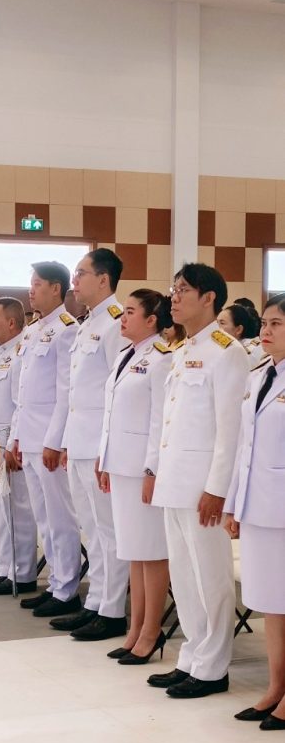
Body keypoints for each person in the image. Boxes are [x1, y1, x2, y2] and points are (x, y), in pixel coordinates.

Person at [148, 263, 249, 699]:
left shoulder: (227, 352)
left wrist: (217, 489)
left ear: (209, 298)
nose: (174, 297)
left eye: (184, 290)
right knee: (184, 576)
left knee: (211, 577)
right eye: (173, 289)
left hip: (202, 486)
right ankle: (192, 657)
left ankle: (213, 667)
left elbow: (230, 430)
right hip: (175, 480)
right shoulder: (183, 349)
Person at [51, 248, 130, 642]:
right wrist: (67, 441)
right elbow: (74, 393)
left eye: (81, 273)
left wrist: (107, 448)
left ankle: (112, 610)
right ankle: (95, 602)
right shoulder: (87, 323)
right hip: (80, 441)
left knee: (108, 530)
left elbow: (118, 393)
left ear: (103, 279)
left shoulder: (116, 323)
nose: (74, 281)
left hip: (100, 444)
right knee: (91, 528)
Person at [98, 289, 171, 664]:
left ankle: (151, 630)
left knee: (152, 552)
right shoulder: (126, 354)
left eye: (129, 312)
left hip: (143, 469)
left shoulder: (161, 358)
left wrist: (152, 469)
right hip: (121, 465)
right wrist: (104, 456)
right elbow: (112, 413)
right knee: (133, 552)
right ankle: (135, 628)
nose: (122, 319)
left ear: (151, 319)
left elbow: (160, 421)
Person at [7, 261, 82, 618]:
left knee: (60, 517)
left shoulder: (67, 330)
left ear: (56, 288)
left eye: (37, 284)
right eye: (31, 283)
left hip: (50, 440)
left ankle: (67, 590)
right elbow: (23, 393)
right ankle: (54, 583)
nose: (31, 290)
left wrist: (55, 441)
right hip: (30, 437)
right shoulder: (35, 330)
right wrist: (17, 437)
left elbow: (65, 392)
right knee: (43, 518)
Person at [225, 293, 285, 731]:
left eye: (276, 324)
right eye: (264, 323)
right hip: (259, 505)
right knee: (270, 602)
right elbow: (243, 447)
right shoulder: (261, 373)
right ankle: (275, 686)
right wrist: (234, 503)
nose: (265, 330)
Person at [0, 297, 38, 595]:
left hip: (8, 446)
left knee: (17, 513)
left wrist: (13, 444)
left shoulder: (19, 354)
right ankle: (6, 569)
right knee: (0, 514)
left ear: (11, 322)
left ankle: (22, 574)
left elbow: (19, 405)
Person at [218, 303, 265, 369]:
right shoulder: (219, 345)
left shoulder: (253, 349)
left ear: (238, 329)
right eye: (216, 322)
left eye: (222, 323)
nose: (216, 327)